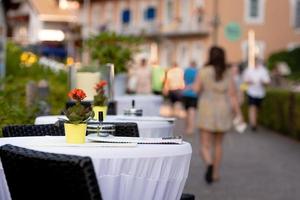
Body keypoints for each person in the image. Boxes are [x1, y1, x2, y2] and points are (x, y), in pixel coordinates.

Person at [193, 46, 242, 184]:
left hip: (206, 108)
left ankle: (209, 163)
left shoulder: (203, 71)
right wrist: (239, 114)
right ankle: (215, 173)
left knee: (204, 145)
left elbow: (196, 89)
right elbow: (232, 95)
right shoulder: (228, 73)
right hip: (223, 109)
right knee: (219, 144)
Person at [242, 58, 270, 131]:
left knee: (257, 109)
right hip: (251, 92)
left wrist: (263, 82)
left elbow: (267, 82)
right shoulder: (249, 70)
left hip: (260, 93)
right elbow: (245, 80)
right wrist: (249, 82)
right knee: (252, 107)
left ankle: (255, 122)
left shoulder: (263, 70)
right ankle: (253, 124)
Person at [182, 61, 199, 135]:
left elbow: (183, 79)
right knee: (192, 111)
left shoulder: (186, 70)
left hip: (185, 93)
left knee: (186, 112)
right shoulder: (197, 72)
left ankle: (187, 127)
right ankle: (191, 128)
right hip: (194, 94)